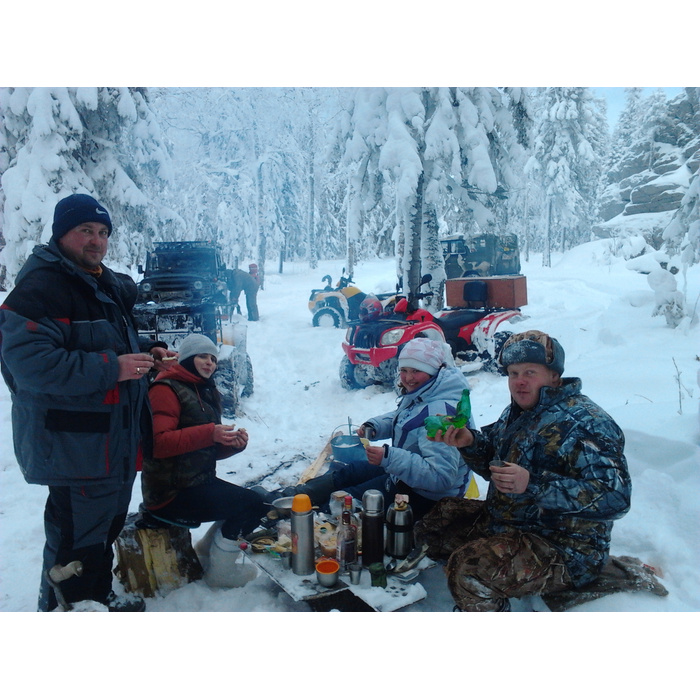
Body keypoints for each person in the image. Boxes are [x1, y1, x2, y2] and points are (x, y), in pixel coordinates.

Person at [0, 193, 177, 612]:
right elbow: (30, 365)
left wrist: (144, 354)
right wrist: (112, 369)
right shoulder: (41, 287)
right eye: (85, 231)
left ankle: (90, 599)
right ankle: (75, 608)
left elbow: (104, 345)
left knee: (101, 529)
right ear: (62, 233)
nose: (96, 241)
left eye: (102, 233)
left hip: (108, 445)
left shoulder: (98, 282)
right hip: (75, 446)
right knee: (77, 540)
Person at [417, 330, 632, 611]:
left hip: (565, 547)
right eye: (513, 373)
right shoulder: (518, 412)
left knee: (470, 568)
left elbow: (615, 498)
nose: (519, 382)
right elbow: (494, 464)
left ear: (554, 377)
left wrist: (534, 485)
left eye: (530, 372)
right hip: (510, 523)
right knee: (438, 522)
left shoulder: (585, 424)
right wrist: (468, 442)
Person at [271, 337, 475, 521]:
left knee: (346, 501)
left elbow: (441, 478)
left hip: (425, 497)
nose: (408, 378)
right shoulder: (427, 391)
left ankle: (313, 520)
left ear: (433, 371)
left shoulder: (442, 412)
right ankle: (293, 496)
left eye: (416, 371)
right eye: (403, 370)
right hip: (407, 475)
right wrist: (376, 426)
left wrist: (390, 457)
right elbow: (408, 418)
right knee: (349, 472)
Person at [139, 334, 268, 541]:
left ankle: (211, 555)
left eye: (214, 359)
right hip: (170, 494)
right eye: (203, 357)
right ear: (188, 358)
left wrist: (232, 445)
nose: (210, 362)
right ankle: (220, 565)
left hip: (197, 483)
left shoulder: (202, 391)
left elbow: (200, 450)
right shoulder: (165, 389)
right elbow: (157, 444)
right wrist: (210, 433)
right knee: (252, 505)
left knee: (258, 501)